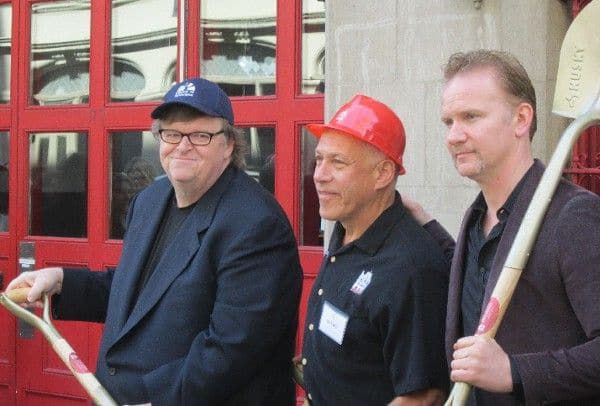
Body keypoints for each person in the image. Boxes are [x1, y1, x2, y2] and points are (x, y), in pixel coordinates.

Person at [7, 77, 303, 405]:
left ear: (229, 144)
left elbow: (231, 351)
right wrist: (60, 281)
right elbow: (134, 294)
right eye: (172, 133)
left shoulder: (256, 225)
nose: (183, 145)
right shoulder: (150, 200)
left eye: (200, 135)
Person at [411, 49, 600, 405]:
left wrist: (515, 371)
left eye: (470, 117)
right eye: (448, 121)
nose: (454, 135)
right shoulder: (475, 220)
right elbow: (489, 287)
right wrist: (425, 222)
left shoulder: (573, 217)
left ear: (521, 118)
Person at [298, 94, 450, 405]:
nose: (320, 175)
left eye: (338, 162)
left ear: (382, 174)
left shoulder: (411, 269)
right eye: (319, 159)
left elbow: (423, 396)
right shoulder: (345, 230)